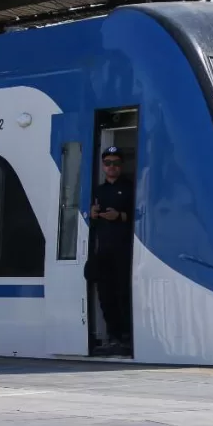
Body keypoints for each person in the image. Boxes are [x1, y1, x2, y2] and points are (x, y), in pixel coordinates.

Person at [88, 146, 135, 354]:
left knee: (123, 293)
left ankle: (126, 337)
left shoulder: (131, 188)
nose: (112, 167)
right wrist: (92, 214)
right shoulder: (98, 191)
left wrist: (120, 216)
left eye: (116, 163)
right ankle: (113, 336)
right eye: (108, 163)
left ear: (121, 165)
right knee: (105, 296)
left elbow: (140, 215)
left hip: (124, 250)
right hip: (103, 250)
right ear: (103, 166)